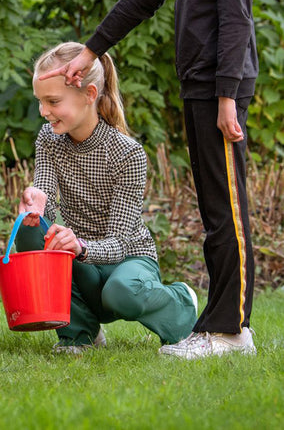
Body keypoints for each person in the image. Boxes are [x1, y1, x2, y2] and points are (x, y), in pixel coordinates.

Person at [43, 0, 257, 359]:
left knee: (227, 213)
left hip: (220, 88)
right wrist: (90, 50)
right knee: (214, 209)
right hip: (200, 85)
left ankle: (231, 332)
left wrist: (229, 97)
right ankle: (218, 326)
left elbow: (236, 20)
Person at [16, 41, 197, 353]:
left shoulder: (127, 153)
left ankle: (180, 303)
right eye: (40, 102)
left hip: (127, 259)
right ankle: (79, 335)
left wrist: (81, 246)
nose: (43, 112)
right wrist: (36, 203)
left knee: (120, 293)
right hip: (81, 258)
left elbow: (121, 241)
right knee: (28, 229)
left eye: (53, 101)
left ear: (89, 96)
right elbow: (44, 192)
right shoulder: (49, 139)